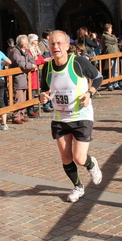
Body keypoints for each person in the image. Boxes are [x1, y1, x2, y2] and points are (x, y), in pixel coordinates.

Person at [39, 30, 103, 203]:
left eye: (59, 43)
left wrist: (90, 93)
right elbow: (44, 89)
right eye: (52, 43)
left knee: (79, 158)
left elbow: (98, 78)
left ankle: (91, 164)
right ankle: (78, 187)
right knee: (66, 157)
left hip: (81, 115)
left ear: (67, 46)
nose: (55, 47)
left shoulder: (78, 62)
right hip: (60, 117)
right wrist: (43, 96)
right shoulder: (48, 67)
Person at [8, 35, 37, 124]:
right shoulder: (15, 51)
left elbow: (31, 59)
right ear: (22, 43)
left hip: (24, 76)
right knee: (19, 97)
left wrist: (33, 64)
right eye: (26, 42)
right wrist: (30, 66)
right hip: (18, 77)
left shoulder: (25, 51)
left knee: (24, 97)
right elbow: (20, 62)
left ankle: (22, 114)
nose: (28, 44)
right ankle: (16, 116)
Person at [102, 23, 122, 91]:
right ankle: (110, 84)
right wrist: (114, 38)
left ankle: (115, 84)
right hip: (110, 54)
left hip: (115, 53)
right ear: (108, 29)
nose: (111, 30)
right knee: (110, 70)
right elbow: (114, 40)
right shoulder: (105, 36)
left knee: (115, 70)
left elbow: (115, 42)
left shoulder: (112, 35)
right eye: (111, 28)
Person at [38, 29, 54, 112]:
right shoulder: (41, 44)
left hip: (51, 65)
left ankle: (51, 103)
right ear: (47, 36)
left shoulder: (49, 44)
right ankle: (46, 105)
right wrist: (45, 59)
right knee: (46, 86)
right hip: (45, 66)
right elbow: (39, 55)